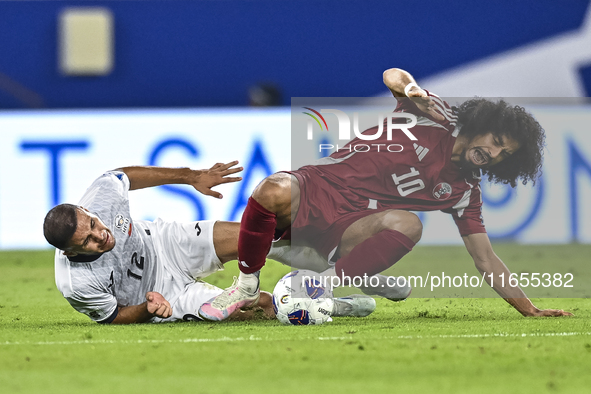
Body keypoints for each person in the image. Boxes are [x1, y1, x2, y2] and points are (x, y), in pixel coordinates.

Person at [198, 68, 573, 321]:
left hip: (349, 227)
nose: (492, 154)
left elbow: (486, 259)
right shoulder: (436, 114)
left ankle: (323, 283)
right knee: (272, 188)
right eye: (495, 142)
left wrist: (530, 309)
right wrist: (412, 89)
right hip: (317, 188)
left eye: (503, 155)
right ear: (483, 127)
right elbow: (392, 75)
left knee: (408, 223)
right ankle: (246, 286)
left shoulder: (463, 192)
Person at [44, 162, 374, 324]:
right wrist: (149, 308)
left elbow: (124, 176)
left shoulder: (101, 197)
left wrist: (190, 176)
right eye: (87, 241)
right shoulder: (77, 284)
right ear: (70, 252)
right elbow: (113, 316)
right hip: (164, 295)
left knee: (261, 240)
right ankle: (332, 305)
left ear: (87, 210)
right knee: (256, 306)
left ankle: (358, 268)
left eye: (93, 223)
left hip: (165, 243)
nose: (100, 234)